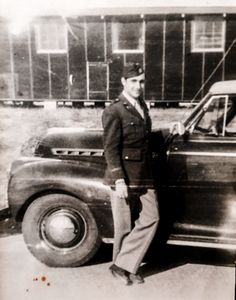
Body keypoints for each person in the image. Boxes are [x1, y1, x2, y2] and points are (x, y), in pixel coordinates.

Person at [102, 63, 160, 285]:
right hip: (124, 176)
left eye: (142, 81)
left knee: (151, 217)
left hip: (145, 174)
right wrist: (118, 179)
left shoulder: (142, 106)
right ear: (124, 82)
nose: (138, 85)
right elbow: (110, 148)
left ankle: (122, 264)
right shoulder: (114, 110)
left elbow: (146, 138)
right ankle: (127, 268)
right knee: (124, 225)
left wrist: (171, 128)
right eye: (134, 81)